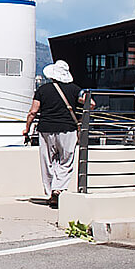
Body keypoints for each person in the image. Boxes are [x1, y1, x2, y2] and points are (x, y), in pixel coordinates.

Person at [23, 60, 86, 208]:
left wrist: (27, 129)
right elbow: (91, 104)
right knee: (66, 160)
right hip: (68, 129)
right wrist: (82, 118)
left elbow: (33, 111)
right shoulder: (75, 89)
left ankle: (50, 190)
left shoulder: (43, 90)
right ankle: (59, 189)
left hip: (45, 129)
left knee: (47, 161)